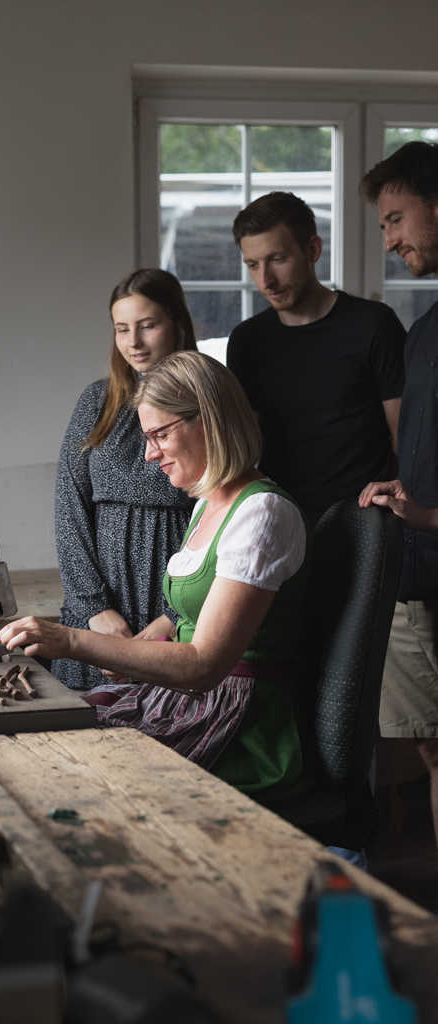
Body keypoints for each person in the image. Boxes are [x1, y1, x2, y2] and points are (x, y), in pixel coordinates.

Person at [0, 351, 310, 799]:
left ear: (210, 421)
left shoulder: (262, 514)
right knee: (47, 734)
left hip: (239, 723)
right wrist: (131, 654)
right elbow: (189, 627)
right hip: (189, 698)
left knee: (71, 773)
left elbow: (204, 664)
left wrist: (70, 640)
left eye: (160, 435)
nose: (148, 455)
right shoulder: (207, 505)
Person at [52, 269, 197, 691]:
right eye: (122, 329)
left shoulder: (205, 401)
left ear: (177, 325)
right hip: (98, 599)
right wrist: (92, 606)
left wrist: (174, 615)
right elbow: (69, 505)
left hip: (174, 598)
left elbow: (220, 511)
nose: (133, 342)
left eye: (148, 326)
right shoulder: (97, 401)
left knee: (164, 728)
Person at [227, 191, 405, 525]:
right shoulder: (246, 341)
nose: (265, 280)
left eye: (277, 259)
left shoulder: (374, 325)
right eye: (253, 265)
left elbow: (404, 439)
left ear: (313, 250)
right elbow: (245, 447)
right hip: (277, 519)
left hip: (365, 520)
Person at [358, 140, 438, 848]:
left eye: (395, 220)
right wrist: (402, 488)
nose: (388, 241)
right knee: (429, 750)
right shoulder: (421, 336)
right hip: (418, 582)